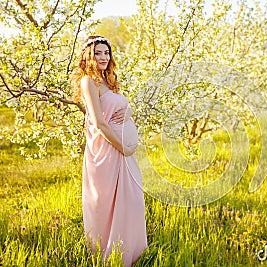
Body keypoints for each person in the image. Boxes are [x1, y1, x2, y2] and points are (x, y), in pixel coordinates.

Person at [70, 35, 147, 266]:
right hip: (107, 150)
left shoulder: (108, 79)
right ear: (88, 56)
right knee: (106, 203)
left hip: (123, 152)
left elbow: (123, 106)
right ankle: (108, 255)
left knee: (132, 200)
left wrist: (130, 113)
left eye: (106, 53)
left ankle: (132, 253)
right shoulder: (88, 82)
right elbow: (98, 122)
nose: (103, 57)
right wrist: (123, 147)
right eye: (98, 53)